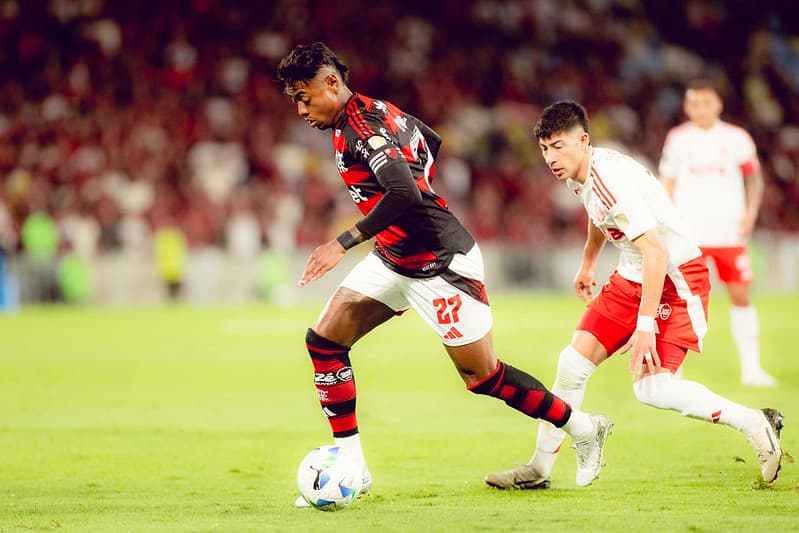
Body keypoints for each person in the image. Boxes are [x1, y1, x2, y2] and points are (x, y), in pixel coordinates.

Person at [275, 43, 613, 505]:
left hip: (442, 264)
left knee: (483, 377)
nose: (300, 108)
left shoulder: (363, 126)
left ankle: (584, 427)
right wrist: (413, 191)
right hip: (396, 258)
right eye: (294, 98)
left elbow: (404, 193)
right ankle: (352, 465)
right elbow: (429, 140)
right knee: (325, 342)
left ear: (330, 83)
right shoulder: (371, 112)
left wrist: (343, 242)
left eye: (304, 95)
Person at [485, 101, 783, 490]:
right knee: (571, 365)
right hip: (632, 274)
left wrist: (644, 328)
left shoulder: (611, 183)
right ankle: (539, 470)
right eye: (544, 149)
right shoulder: (581, 171)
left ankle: (754, 422)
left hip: (675, 279)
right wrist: (589, 262)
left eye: (558, 147)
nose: (550, 158)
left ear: (583, 141)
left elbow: (656, 252)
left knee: (652, 389)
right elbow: (598, 216)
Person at [659, 79, 776, 387]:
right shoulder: (678, 139)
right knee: (679, 297)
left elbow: (754, 180)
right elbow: (666, 182)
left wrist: (750, 214)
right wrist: (666, 222)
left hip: (728, 233)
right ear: (686, 107)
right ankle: (673, 369)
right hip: (688, 234)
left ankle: (751, 368)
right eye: (694, 103)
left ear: (718, 104)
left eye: (706, 102)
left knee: (740, 296)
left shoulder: (737, 139)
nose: (700, 109)